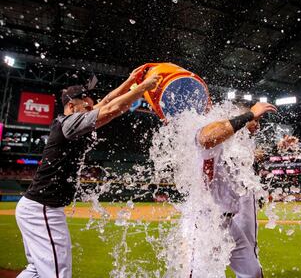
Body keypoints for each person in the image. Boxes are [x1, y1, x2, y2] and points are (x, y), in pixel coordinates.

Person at [15, 67, 160, 278]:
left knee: (36, 270)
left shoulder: (74, 120)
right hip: (42, 210)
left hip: (37, 208)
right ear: (72, 106)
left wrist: (130, 80)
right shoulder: (69, 123)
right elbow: (110, 109)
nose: (92, 105)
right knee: (58, 274)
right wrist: (143, 88)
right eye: (87, 103)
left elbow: (108, 101)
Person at [196, 102, 276, 277]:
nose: (258, 123)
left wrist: (277, 148)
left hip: (225, 222)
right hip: (203, 221)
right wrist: (250, 114)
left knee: (252, 272)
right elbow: (206, 139)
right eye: (256, 119)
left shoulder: (236, 146)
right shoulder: (211, 135)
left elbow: (253, 156)